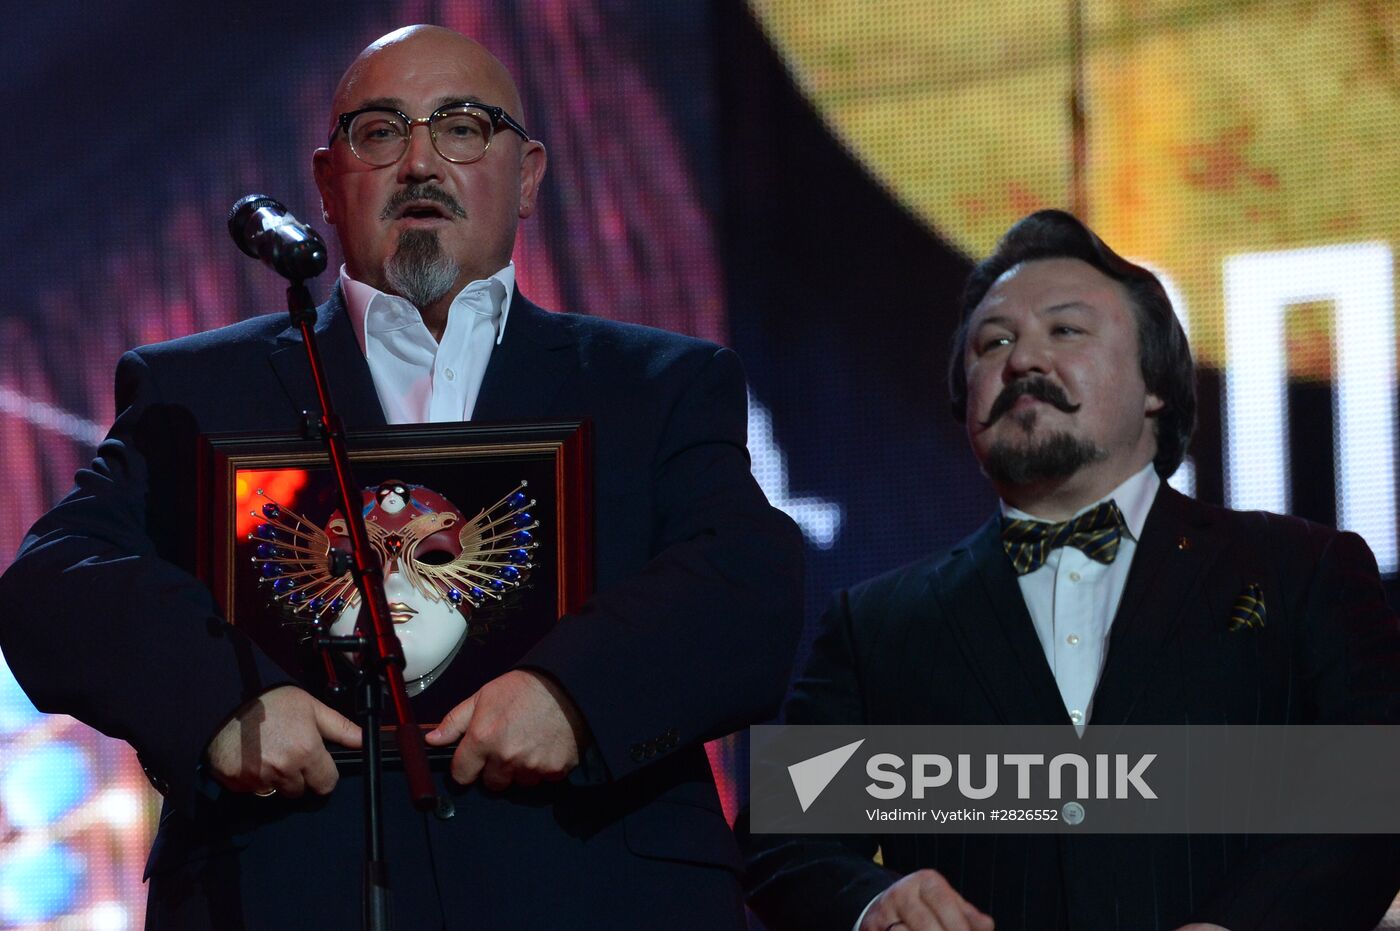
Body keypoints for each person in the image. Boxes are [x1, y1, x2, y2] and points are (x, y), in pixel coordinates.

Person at [0, 25, 803, 930]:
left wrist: (574, 694)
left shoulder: (657, 383)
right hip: (288, 893)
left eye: (462, 127)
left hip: (595, 887)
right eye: (380, 131)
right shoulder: (197, 391)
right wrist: (225, 702)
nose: (421, 160)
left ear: (528, 174)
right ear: (329, 181)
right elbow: (54, 579)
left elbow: (749, 579)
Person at [739, 209, 1400, 931]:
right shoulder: (876, 624)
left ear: (1156, 383)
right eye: (993, 342)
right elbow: (779, 832)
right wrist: (869, 900)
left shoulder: (1299, 571)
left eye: (1066, 330)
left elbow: (1379, 786)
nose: (1022, 360)